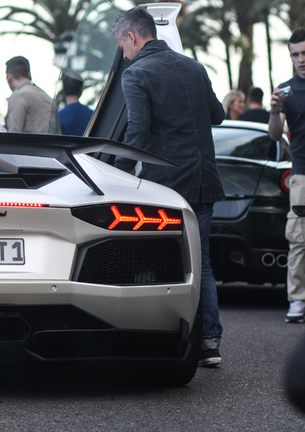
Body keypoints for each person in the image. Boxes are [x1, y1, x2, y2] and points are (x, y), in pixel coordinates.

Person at [112, 6, 225, 367]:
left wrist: (116, 174)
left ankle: (160, 338)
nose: (124, 55)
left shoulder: (137, 73)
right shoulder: (195, 67)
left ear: (132, 36)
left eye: (122, 46)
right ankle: (209, 344)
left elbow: (138, 133)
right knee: (202, 262)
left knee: (160, 260)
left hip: (168, 187)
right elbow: (218, 115)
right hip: (205, 181)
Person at [268, 28, 305, 323]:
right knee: (298, 241)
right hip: (302, 175)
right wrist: (273, 110)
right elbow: (274, 134)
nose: (301, 59)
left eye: (304, 53)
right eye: (295, 54)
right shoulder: (286, 90)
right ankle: (297, 300)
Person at [5, 56, 60, 134]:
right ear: (28, 75)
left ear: (9, 77)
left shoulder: (18, 96)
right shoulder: (48, 98)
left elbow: (13, 133)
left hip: (27, 146)